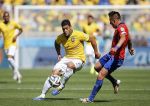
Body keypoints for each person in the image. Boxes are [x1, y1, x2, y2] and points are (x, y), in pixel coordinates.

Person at [33, 19, 100, 100]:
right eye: (63, 29)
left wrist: (96, 52)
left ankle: (61, 86)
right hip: (67, 58)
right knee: (54, 73)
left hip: (79, 59)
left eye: (66, 28)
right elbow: (56, 43)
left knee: (70, 65)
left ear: (70, 27)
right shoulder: (60, 37)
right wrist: (58, 54)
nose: (65, 30)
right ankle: (42, 95)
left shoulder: (78, 34)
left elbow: (92, 39)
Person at [80, 11, 135, 103]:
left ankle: (90, 99)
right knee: (97, 67)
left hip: (117, 58)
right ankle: (114, 82)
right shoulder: (123, 27)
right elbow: (128, 38)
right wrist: (130, 47)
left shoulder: (121, 28)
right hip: (111, 54)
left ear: (114, 20)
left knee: (101, 75)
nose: (110, 23)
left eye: (110, 21)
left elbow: (123, 38)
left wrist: (117, 47)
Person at [0, 11, 23, 83]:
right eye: (5, 16)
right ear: (3, 17)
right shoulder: (1, 24)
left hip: (13, 44)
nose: (6, 17)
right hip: (6, 45)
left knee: (9, 59)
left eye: (7, 16)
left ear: (9, 17)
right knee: (11, 61)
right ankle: (15, 73)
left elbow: (21, 29)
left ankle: (18, 74)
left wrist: (16, 36)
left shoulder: (13, 23)